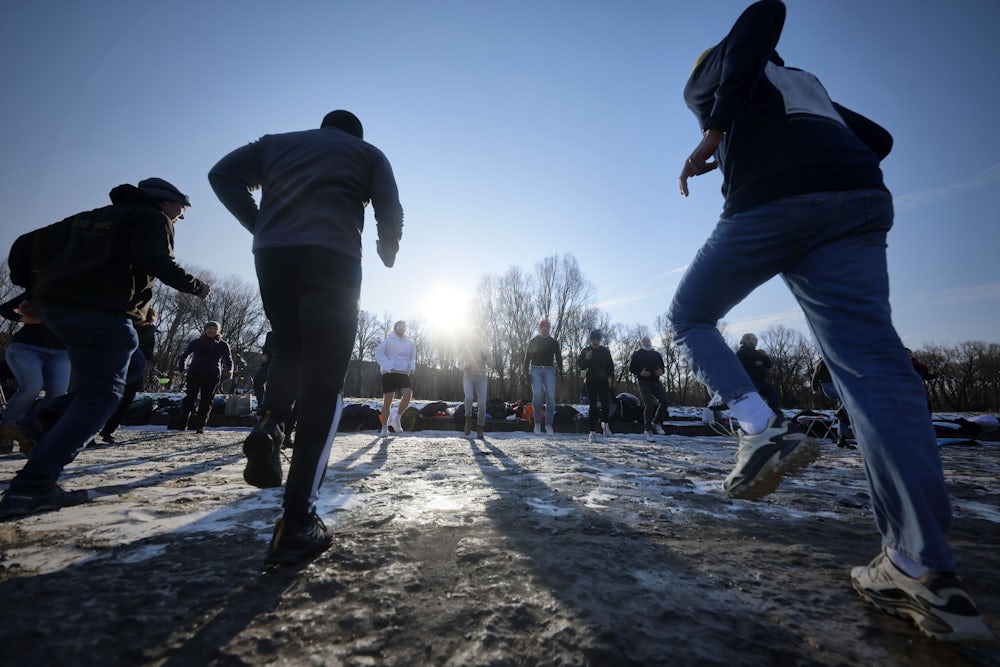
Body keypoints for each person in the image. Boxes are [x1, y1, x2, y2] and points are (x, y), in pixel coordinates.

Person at [669, 0, 991, 641]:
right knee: (875, 371)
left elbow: (764, 11)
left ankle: (759, 427)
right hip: (858, 199)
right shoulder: (807, 86)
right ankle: (920, 566)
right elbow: (882, 141)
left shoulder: (715, 71)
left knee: (690, 315)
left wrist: (714, 131)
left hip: (775, 201)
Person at [209, 109, 403, 564]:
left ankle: (272, 422)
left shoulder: (275, 143)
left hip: (274, 257)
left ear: (322, 127)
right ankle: (298, 519)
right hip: (332, 258)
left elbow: (222, 174)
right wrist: (387, 248)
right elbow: (389, 208)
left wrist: (258, 223)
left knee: (290, 345)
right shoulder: (368, 153)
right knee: (325, 385)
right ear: (355, 133)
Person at [0, 177, 208, 516]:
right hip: (100, 311)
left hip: (63, 308)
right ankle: (32, 487)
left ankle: (44, 420)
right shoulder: (151, 218)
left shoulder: (90, 216)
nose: (178, 219)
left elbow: (25, 243)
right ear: (164, 202)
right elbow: (156, 260)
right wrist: (197, 286)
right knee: (101, 397)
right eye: (180, 212)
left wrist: (37, 288)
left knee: (134, 367)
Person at [0, 293, 71, 453]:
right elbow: (5, 309)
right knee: (32, 387)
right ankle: (6, 432)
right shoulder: (43, 288)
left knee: (57, 394)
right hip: (26, 348)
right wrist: (24, 317)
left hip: (60, 352)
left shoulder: (78, 295)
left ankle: (33, 432)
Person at [99, 307, 158, 444]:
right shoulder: (124, 326)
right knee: (107, 398)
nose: (144, 324)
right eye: (142, 321)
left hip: (136, 369)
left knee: (125, 402)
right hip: (117, 366)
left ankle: (109, 430)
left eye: (147, 322)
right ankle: (92, 430)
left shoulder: (150, 331)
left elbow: (150, 352)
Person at [174, 321, 233, 433]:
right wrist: (182, 369)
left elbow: (229, 359)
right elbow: (184, 355)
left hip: (212, 375)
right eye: (209, 328)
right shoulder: (196, 342)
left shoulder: (222, 344)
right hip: (195, 373)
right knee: (190, 398)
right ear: (205, 330)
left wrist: (230, 370)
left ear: (218, 331)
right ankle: (182, 423)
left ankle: (200, 425)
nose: (212, 331)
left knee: (207, 400)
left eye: (214, 329)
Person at [375, 321, 416, 438]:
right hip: (389, 372)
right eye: (399, 326)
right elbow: (378, 354)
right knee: (388, 400)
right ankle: (384, 427)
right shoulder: (387, 341)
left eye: (404, 326)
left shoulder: (410, 343)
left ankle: (396, 419)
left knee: (408, 394)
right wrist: (388, 365)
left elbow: (412, 357)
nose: (402, 328)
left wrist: (412, 366)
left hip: (403, 372)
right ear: (395, 328)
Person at [524, 318, 563, 435]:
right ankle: (537, 423)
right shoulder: (533, 341)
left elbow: (559, 357)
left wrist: (561, 370)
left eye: (547, 327)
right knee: (537, 394)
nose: (545, 329)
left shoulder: (553, 342)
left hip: (549, 370)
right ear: (539, 328)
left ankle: (548, 424)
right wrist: (525, 372)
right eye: (543, 327)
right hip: (535, 369)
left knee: (550, 396)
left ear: (549, 329)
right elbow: (527, 357)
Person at [629, 336, 670, 437]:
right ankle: (647, 429)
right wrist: (640, 372)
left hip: (655, 381)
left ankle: (657, 423)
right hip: (643, 382)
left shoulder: (656, 354)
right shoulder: (637, 354)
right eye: (644, 341)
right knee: (649, 404)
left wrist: (661, 371)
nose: (647, 343)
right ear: (641, 343)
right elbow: (631, 368)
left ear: (650, 342)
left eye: (648, 341)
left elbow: (662, 368)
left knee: (664, 401)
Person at [578, 329, 614, 441]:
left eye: (597, 339)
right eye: (593, 339)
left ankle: (605, 424)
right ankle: (592, 431)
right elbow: (581, 366)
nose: (595, 342)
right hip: (590, 381)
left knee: (605, 403)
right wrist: (586, 358)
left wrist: (610, 378)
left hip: (603, 380)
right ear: (590, 340)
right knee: (593, 405)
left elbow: (610, 365)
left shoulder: (605, 351)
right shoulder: (586, 350)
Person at [810, 357, 852, 448]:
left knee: (845, 413)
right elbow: (815, 376)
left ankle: (841, 438)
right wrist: (815, 389)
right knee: (849, 396)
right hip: (828, 386)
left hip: (839, 385)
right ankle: (841, 411)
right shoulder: (823, 361)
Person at [736, 333, 781, 414]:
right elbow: (738, 366)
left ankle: (774, 415)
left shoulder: (758, 353)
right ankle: (756, 419)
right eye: (753, 338)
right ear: (746, 340)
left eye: (756, 338)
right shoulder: (741, 352)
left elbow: (768, 365)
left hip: (763, 381)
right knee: (754, 402)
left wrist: (765, 356)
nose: (756, 340)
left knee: (774, 399)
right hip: (750, 382)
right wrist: (754, 364)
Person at [458, 333, 489, 439]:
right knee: (469, 397)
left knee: (482, 404)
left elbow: (492, 363)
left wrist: (486, 359)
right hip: (469, 377)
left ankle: (480, 427)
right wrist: (465, 366)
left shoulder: (485, 348)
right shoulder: (467, 348)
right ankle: (468, 419)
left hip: (481, 377)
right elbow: (459, 363)